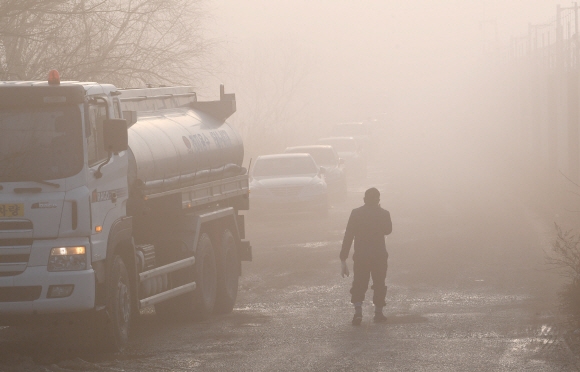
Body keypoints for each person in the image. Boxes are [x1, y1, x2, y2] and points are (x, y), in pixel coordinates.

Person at [340, 187, 392, 325]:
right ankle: (379, 313)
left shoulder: (356, 213)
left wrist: (343, 257)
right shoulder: (384, 214)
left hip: (361, 256)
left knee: (359, 283)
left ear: (364, 199)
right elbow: (388, 230)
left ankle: (358, 312)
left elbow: (349, 235)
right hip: (379, 255)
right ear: (378, 200)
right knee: (379, 283)